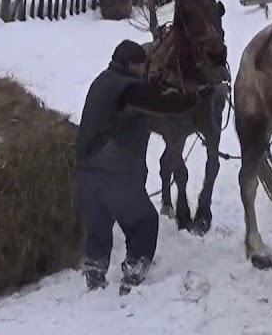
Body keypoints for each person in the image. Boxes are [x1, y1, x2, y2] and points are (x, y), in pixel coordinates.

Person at [73, 40, 210, 294]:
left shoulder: (103, 81)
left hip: (86, 170)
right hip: (113, 171)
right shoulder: (129, 90)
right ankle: (134, 271)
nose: (142, 70)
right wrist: (195, 98)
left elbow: (140, 99)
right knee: (144, 221)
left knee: (99, 223)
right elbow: (162, 106)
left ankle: (95, 270)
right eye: (140, 66)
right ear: (131, 64)